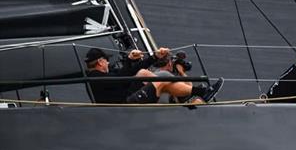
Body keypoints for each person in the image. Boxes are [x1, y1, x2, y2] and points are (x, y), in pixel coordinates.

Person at [84, 47, 221, 104]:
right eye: (106, 60)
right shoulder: (95, 76)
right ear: (100, 62)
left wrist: (153, 57)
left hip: (126, 97)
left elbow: (128, 74)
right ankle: (200, 92)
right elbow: (121, 79)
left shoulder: (101, 75)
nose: (108, 62)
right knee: (161, 80)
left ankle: (186, 96)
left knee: (145, 73)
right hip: (124, 105)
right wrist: (128, 61)